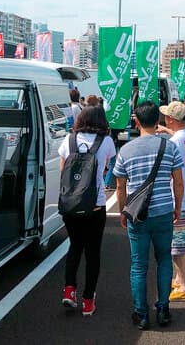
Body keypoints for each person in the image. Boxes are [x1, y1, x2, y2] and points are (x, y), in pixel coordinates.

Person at [114, 101, 185, 330]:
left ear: (136, 121)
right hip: (164, 211)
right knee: (164, 259)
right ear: (159, 121)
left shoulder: (125, 150)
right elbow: (178, 182)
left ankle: (141, 313)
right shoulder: (170, 147)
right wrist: (178, 207)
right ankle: (163, 309)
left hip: (137, 215)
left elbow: (120, 188)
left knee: (138, 264)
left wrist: (123, 211)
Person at [58, 106, 117, 317]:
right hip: (95, 204)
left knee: (75, 246)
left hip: (70, 205)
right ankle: (88, 300)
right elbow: (105, 168)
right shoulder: (106, 142)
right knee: (93, 253)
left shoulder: (69, 139)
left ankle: (69, 289)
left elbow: (62, 168)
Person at [158, 101, 185, 302]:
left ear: (170, 119)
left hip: (181, 198)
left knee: (176, 248)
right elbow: (178, 134)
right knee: (183, 243)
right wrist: (166, 130)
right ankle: (179, 278)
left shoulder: (173, 143)